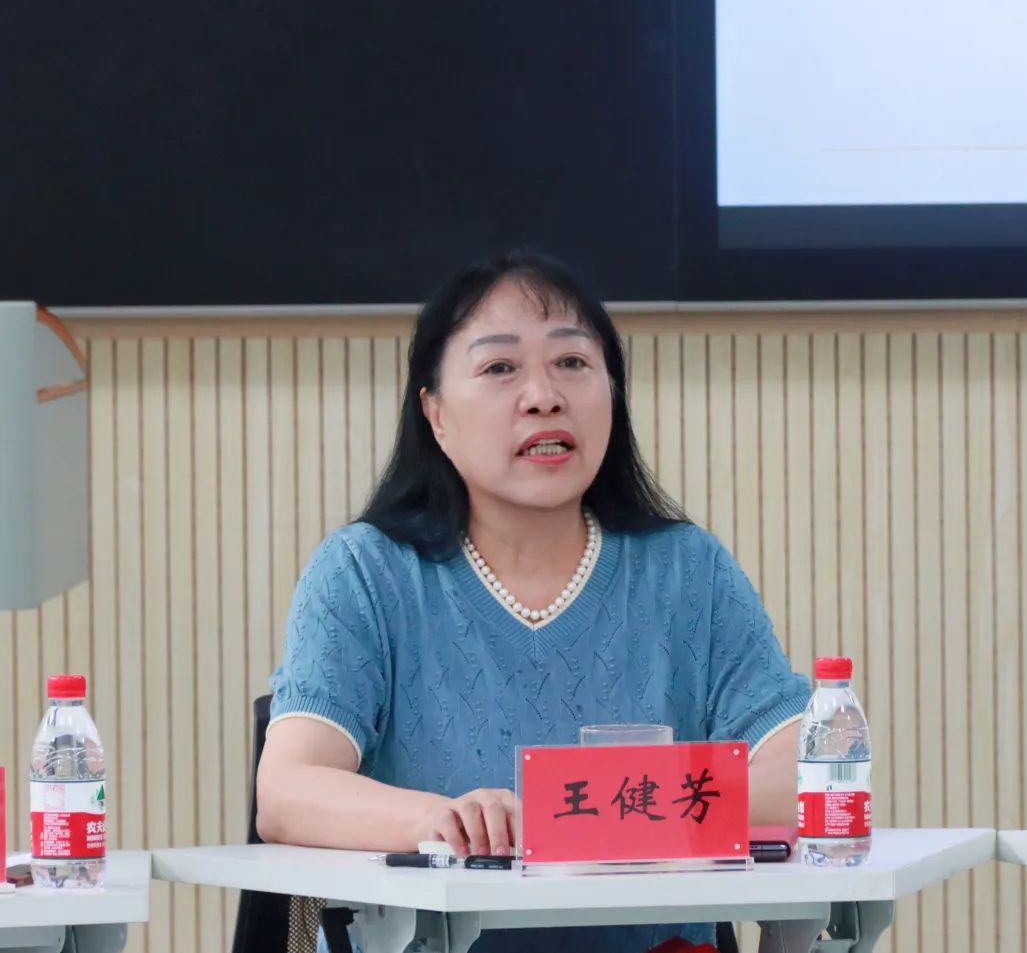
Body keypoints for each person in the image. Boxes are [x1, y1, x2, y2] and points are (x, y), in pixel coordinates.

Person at [257, 250, 811, 953]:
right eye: (499, 368)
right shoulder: (366, 572)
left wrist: (584, 815)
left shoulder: (686, 570)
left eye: (572, 362)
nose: (544, 396)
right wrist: (446, 822)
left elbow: (809, 776)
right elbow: (288, 790)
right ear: (436, 414)